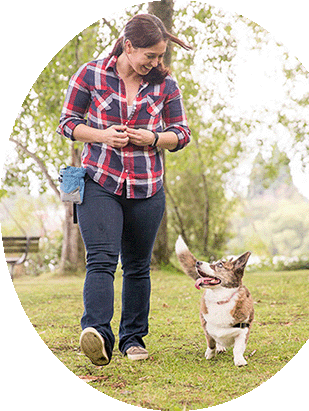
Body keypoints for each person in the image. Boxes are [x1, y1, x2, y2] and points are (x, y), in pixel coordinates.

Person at [57, 14, 192, 364]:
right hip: (99, 179)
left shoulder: (166, 85)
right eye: (150, 55)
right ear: (129, 47)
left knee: (137, 265)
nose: (156, 63)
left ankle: (133, 339)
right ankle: (97, 333)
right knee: (101, 260)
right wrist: (102, 135)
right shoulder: (91, 74)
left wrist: (154, 138)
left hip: (148, 186)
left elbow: (182, 133)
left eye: (160, 56)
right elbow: (68, 124)